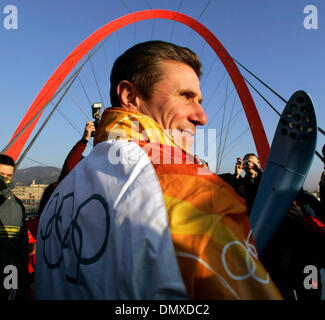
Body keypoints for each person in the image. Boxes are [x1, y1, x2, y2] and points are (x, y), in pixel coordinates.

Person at [35, 41, 282, 300]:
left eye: (199, 100)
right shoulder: (193, 193)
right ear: (130, 97)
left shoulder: (59, 196)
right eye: (185, 96)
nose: (201, 116)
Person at [0, 154, 29, 300]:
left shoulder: (17, 206)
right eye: (1, 174)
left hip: (9, 273)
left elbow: (21, 250)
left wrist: (20, 285)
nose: (4, 179)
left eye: (8, 175)